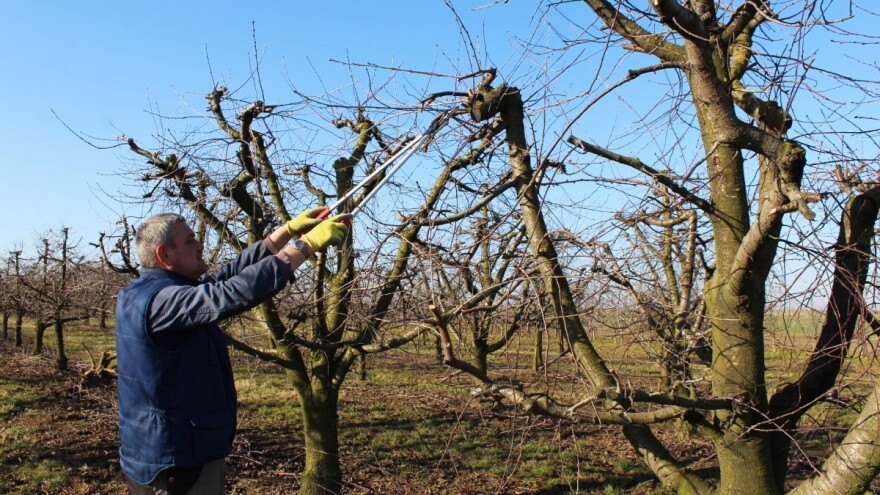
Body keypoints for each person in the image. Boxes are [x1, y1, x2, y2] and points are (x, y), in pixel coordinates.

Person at [116, 208, 350, 495]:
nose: (201, 244)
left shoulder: (152, 291)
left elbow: (226, 278)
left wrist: (287, 232)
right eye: (190, 241)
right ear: (164, 255)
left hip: (173, 449)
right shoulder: (162, 300)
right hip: (176, 461)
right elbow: (230, 293)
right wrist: (304, 247)